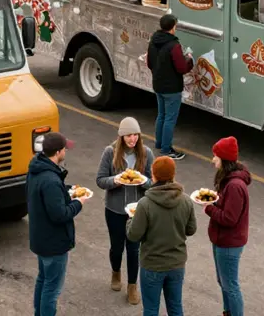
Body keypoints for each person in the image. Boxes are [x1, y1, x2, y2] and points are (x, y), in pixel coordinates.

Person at [127, 156, 196, 316]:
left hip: (152, 264)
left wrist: (130, 219)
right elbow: (191, 229)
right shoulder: (185, 201)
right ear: (173, 174)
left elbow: (133, 235)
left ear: (154, 175)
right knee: (175, 307)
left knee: (151, 309)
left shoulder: (145, 204)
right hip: (177, 264)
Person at [96, 116, 154, 305]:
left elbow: (154, 183)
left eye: (135, 135)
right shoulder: (110, 152)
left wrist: (143, 181)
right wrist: (116, 180)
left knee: (133, 249)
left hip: (137, 211)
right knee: (116, 247)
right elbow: (100, 180)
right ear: (121, 136)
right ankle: (115, 272)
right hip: (114, 210)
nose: (132, 139)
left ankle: (131, 286)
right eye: (129, 135)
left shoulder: (146, 153)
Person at [27, 132, 85, 316]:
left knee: (43, 281)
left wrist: (66, 190)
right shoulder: (51, 180)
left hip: (40, 239)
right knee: (52, 290)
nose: (66, 152)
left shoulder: (36, 169)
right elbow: (60, 214)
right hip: (54, 243)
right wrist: (78, 203)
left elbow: (46, 198)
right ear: (58, 152)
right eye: (64, 149)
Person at [204, 137, 251, 316]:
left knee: (230, 285)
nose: (213, 159)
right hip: (221, 239)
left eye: (215, 156)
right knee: (223, 281)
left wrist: (208, 208)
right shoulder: (228, 180)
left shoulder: (235, 186)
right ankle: (228, 312)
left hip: (229, 243)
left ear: (224, 158)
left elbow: (229, 218)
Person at [146, 13, 193, 160]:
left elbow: (149, 63)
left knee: (161, 115)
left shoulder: (153, 41)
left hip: (158, 84)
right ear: (173, 27)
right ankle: (166, 150)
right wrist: (189, 60)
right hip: (172, 88)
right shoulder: (174, 45)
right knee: (170, 119)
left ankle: (159, 143)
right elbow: (181, 68)